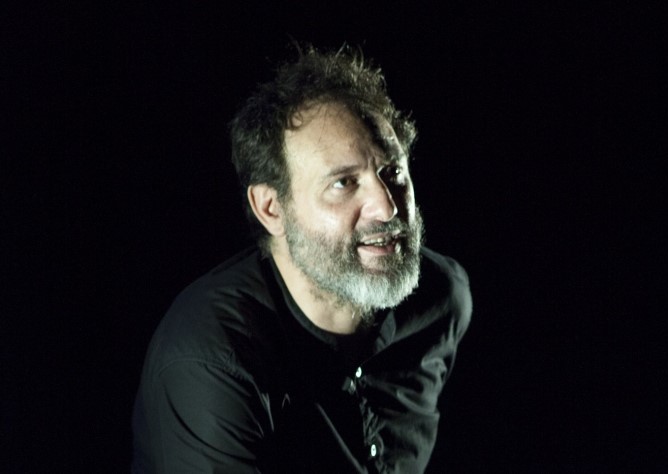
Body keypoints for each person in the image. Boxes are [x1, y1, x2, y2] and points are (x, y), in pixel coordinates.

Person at [131, 45, 472, 473]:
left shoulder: (441, 298)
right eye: (343, 183)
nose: (387, 208)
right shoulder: (211, 357)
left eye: (394, 173)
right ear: (271, 209)